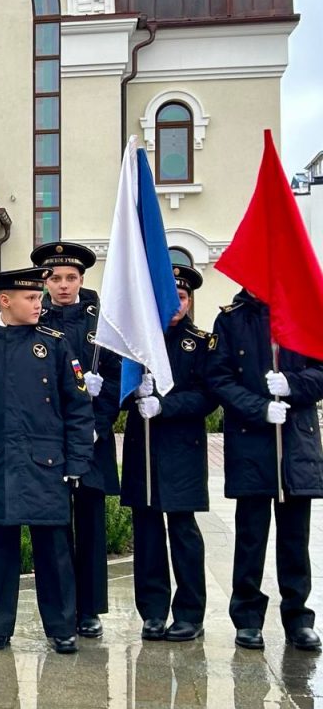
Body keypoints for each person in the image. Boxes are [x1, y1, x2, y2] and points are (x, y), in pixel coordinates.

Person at [0, 267, 94, 654]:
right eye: (32, 298)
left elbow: (77, 407)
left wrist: (76, 462)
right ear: (5, 301)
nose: (40, 303)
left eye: (39, 297)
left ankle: (61, 627)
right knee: (0, 551)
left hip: (45, 462)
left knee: (54, 551)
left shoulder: (55, 342)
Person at [206, 288, 323, 652]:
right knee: (250, 537)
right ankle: (247, 618)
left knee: (294, 539)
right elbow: (219, 378)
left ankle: (298, 618)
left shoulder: (305, 316)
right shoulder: (230, 319)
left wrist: (293, 384)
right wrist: (258, 407)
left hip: (294, 442)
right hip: (252, 440)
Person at [120, 264, 217, 641]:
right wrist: (131, 396)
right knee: (146, 532)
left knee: (183, 532)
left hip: (182, 448)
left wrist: (165, 405)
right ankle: (153, 612)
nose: (175, 304)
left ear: (189, 300)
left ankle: (190, 613)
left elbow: (209, 394)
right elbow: (118, 386)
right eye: (168, 295)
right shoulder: (136, 341)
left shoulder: (201, 343)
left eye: (181, 297)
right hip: (143, 447)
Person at [31, 241, 121, 638]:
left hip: (93, 439)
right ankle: (61, 607)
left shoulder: (103, 319)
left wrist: (101, 416)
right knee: (54, 527)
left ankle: (89, 609)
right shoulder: (34, 317)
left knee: (89, 524)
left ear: (82, 279)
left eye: (71, 278)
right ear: (45, 281)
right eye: (55, 278)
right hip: (49, 439)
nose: (62, 285)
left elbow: (120, 375)